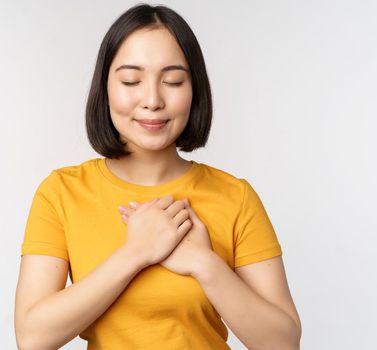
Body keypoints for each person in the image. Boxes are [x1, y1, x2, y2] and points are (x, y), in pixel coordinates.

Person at [14, 4, 301, 349]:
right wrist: (136, 253)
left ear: (195, 89)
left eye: (173, 81)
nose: (152, 100)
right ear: (105, 88)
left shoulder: (235, 196)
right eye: (131, 80)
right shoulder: (61, 193)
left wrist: (204, 263)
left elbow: (283, 343)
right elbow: (32, 337)